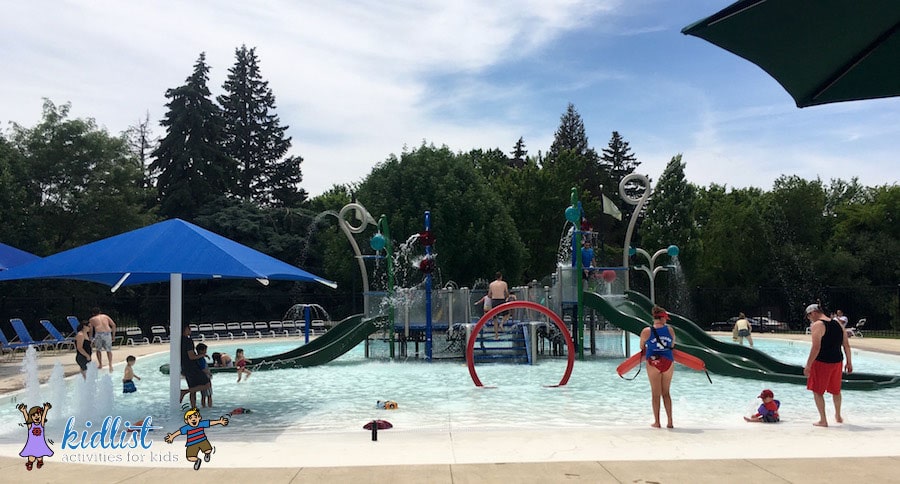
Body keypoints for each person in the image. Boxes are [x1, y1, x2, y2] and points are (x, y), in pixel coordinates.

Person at [804, 303, 852, 427]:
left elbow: (816, 347)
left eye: (809, 316)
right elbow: (846, 344)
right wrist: (849, 362)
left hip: (822, 362)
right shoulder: (838, 324)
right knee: (836, 390)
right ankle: (838, 415)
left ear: (813, 313)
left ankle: (823, 420)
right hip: (837, 361)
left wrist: (808, 365)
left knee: (817, 391)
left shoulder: (818, 325)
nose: (810, 319)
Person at [640, 305, 676, 429]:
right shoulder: (670, 330)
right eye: (666, 318)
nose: (666, 321)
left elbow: (642, 347)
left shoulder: (646, 331)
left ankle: (657, 422)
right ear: (662, 318)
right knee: (666, 393)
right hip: (668, 361)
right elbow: (672, 344)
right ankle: (670, 422)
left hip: (653, 362)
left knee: (656, 394)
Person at [164, 407, 229, 471]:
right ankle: (197, 460)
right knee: (190, 458)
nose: (193, 419)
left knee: (208, 450)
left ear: (199, 418)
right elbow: (179, 432)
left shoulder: (201, 424)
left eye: (195, 417)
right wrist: (172, 436)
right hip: (192, 444)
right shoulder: (186, 428)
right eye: (190, 418)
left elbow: (210, 423)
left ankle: (207, 454)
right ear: (186, 421)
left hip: (202, 440)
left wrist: (219, 421)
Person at [179, 325, 211, 408]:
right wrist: (202, 355)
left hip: (184, 366)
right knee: (207, 384)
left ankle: (193, 408)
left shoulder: (179, 340)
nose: (190, 330)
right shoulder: (188, 341)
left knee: (193, 388)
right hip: (192, 367)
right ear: (184, 330)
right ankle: (184, 392)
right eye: (188, 328)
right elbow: (191, 356)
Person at [17, 402, 53, 470]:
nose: (36, 417)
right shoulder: (30, 425)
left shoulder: (41, 425)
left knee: (39, 455)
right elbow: (27, 419)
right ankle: (30, 463)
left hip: (40, 443)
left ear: (40, 415)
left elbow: (43, 417)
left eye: (38, 415)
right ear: (31, 417)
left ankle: (40, 462)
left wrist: (45, 409)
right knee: (31, 457)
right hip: (31, 444)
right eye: (34, 415)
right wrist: (24, 411)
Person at [88, 307, 117, 373]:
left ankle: (100, 364)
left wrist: (90, 339)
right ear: (100, 312)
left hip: (99, 333)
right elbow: (113, 325)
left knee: (98, 350)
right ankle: (110, 364)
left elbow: (91, 330)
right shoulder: (105, 316)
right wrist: (113, 335)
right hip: (107, 333)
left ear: (93, 313)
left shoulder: (92, 319)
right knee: (109, 350)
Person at [488, 271, 510, 339]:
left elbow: (489, 295)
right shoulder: (504, 283)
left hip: (494, 300)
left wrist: (493, 297)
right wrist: (506, 297)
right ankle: (501, 324)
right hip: (501, 300)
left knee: (495, 318)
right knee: (506, 314)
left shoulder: (491, 284)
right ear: (501, 277)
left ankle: (496, 336)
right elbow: (506, 293)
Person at [196, 343, 213, 408]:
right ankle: (210, 407)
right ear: (201, 351)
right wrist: (209, 373)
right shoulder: (201, 359)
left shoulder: (197, 358)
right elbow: (203, 369)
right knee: (209, 395)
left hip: (201, 378)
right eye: (205, 350)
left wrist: (205, 355)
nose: (206, 351)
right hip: (205, 377)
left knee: (203, 395)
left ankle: (203, 406)